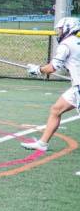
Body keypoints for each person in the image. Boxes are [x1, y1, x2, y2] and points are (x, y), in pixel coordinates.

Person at [22, 16, 80, 151]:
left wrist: (37, 69)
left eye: (60, 29)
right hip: (76, 87)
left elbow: (52, 68)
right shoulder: (76, 41)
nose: (58, 32)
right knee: (56, 109)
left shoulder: (66, 44)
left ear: (68, 28)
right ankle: (42, 143)